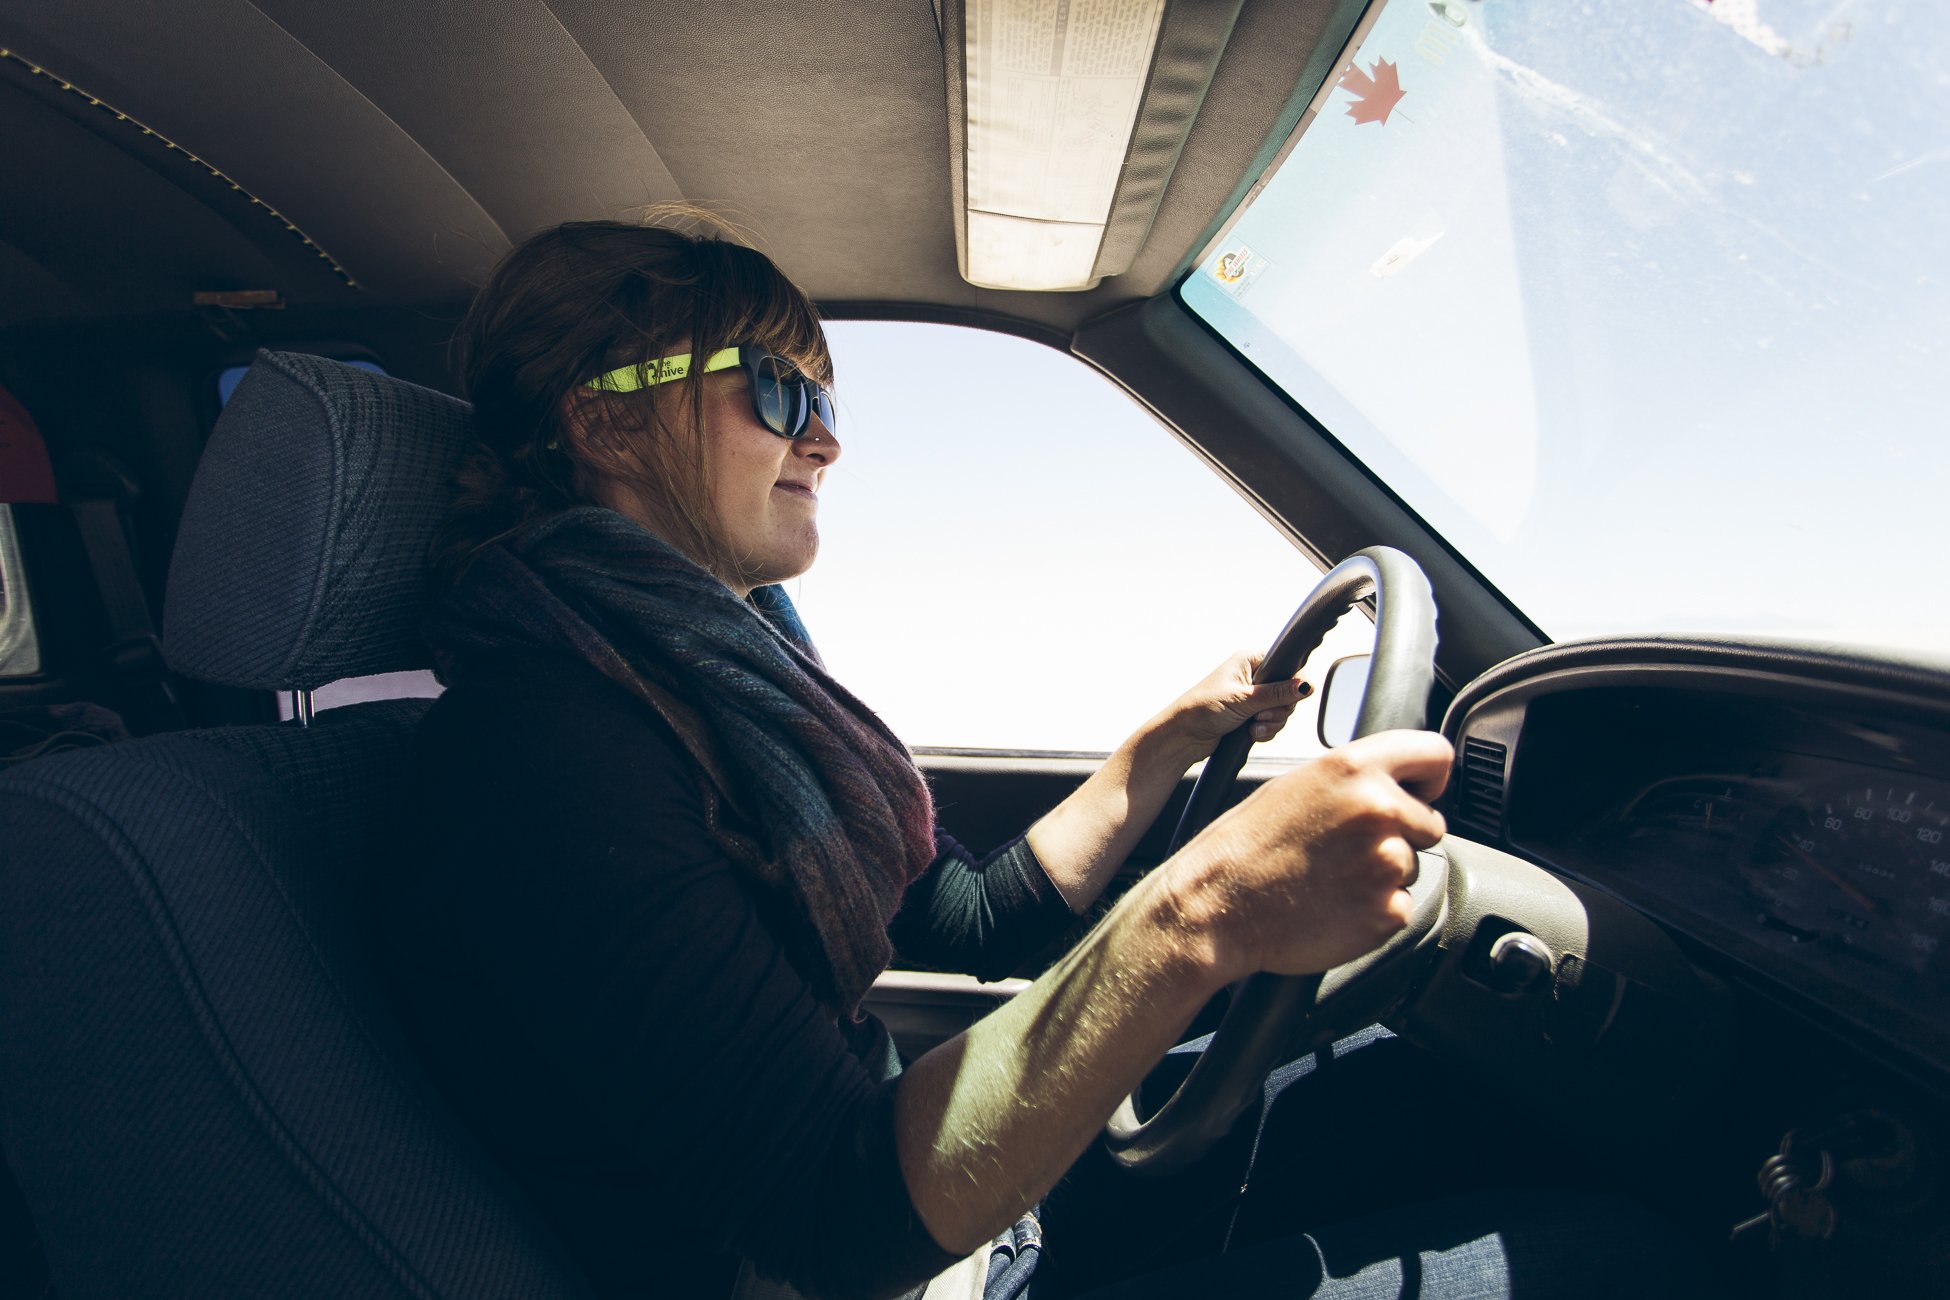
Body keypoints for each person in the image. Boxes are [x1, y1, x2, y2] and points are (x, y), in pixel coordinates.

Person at [390, 213, 1689, 1300]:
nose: (826, 440)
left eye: (823, 400)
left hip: (951, 1217)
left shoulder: (724, 687)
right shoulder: (544, 747)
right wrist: (1205, 909)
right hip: (883, 1258)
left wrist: (1161, 747)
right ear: (609, 425)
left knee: (1429, 1101)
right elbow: (828, 1216)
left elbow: (966, 918)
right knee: (1607, 1264)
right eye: (778, 392)